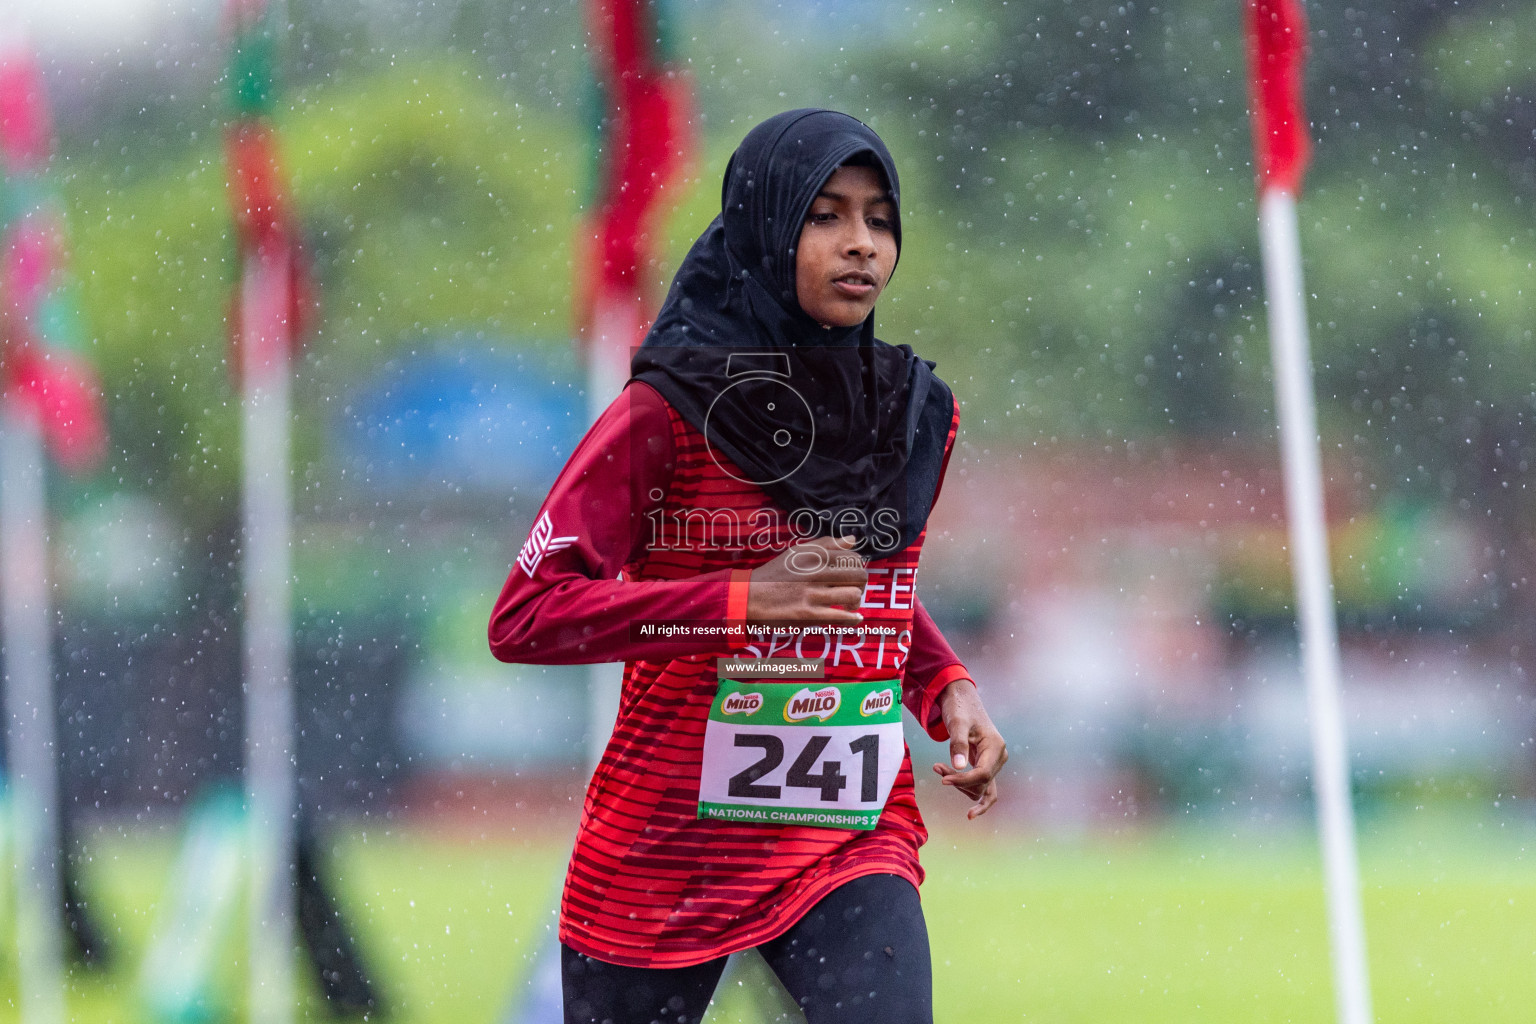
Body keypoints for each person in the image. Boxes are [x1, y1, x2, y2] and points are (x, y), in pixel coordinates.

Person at [489, 108, 1008, 1024]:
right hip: (666, 843)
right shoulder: (668, 411)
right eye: (827, 216)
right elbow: (528, 615)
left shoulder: (917, 412)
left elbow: (868, 585)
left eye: (880, 220)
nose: (861, 246)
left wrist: (944, 685)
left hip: (844, 833)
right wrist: (741, 603)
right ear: (766, 225)